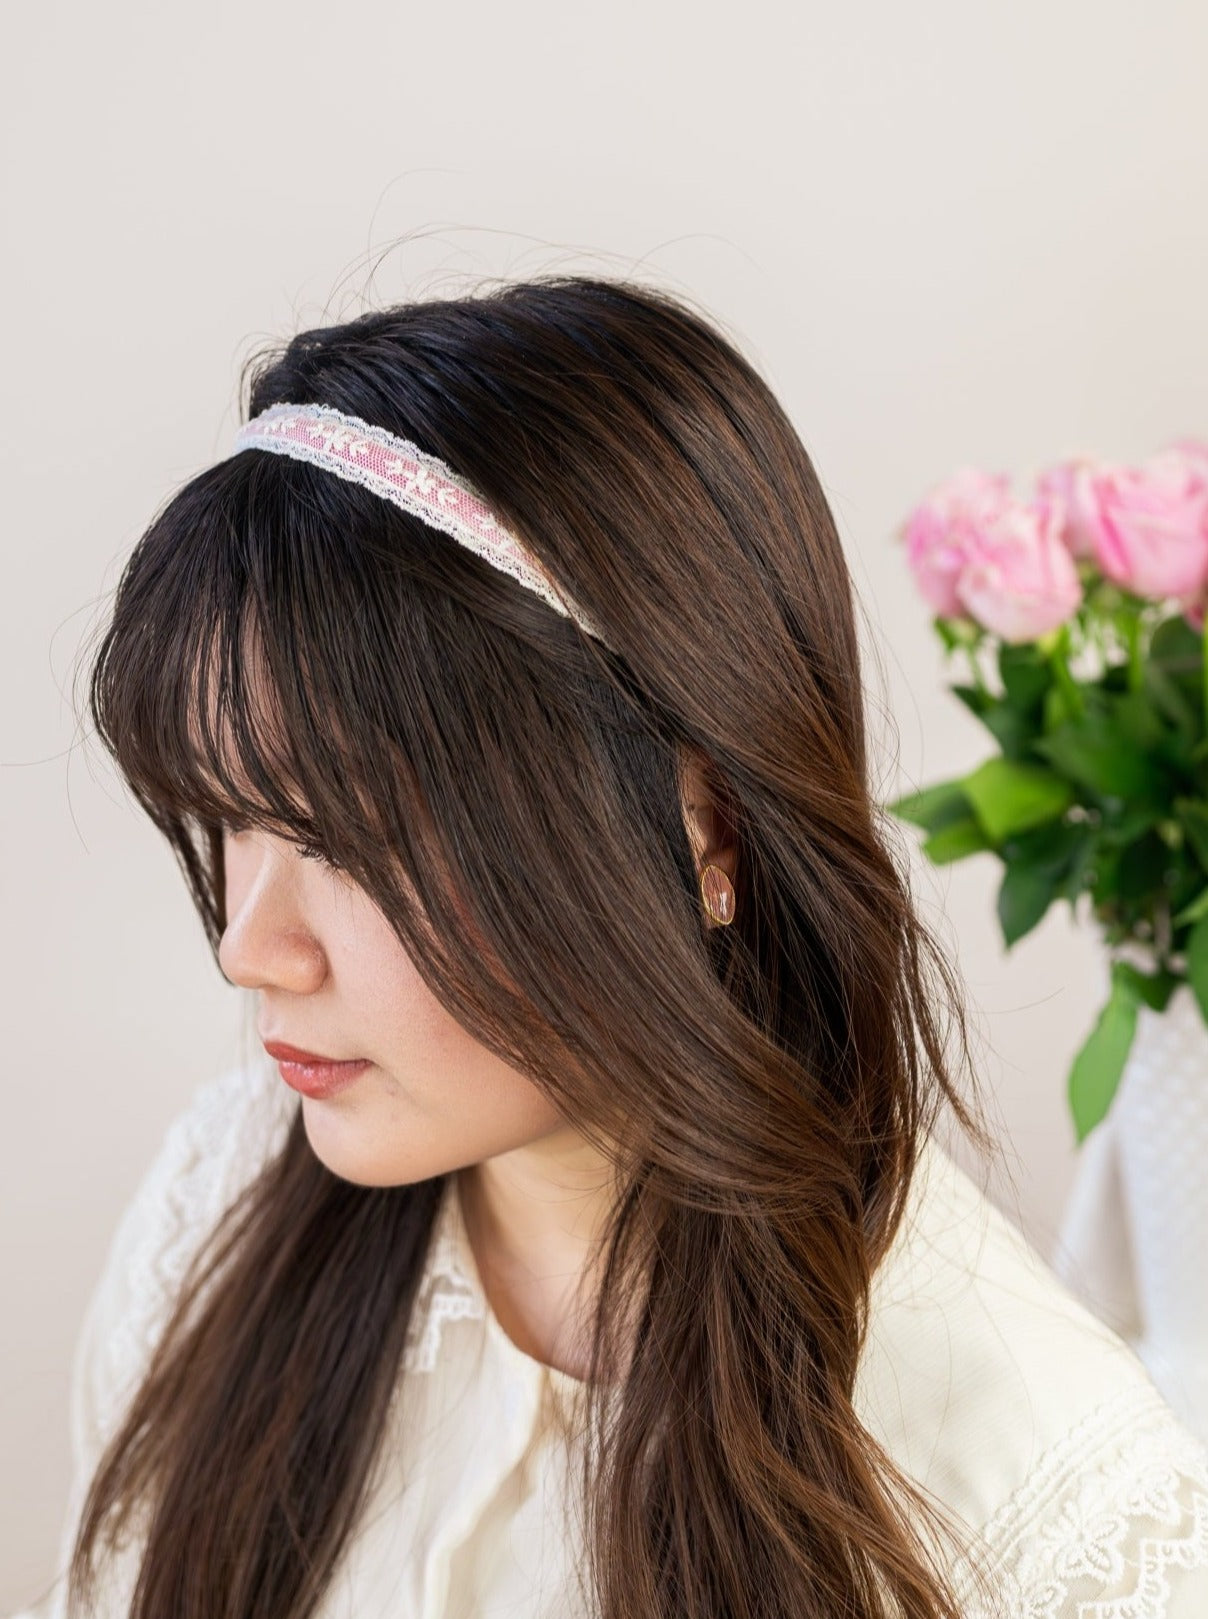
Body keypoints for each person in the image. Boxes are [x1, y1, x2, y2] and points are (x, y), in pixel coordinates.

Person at [13, 274, 1208, 1619]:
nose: (250, 949)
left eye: (344, 839)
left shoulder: (1049, 1521)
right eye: (228, 817)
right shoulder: (216, 1217)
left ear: (705, 825)